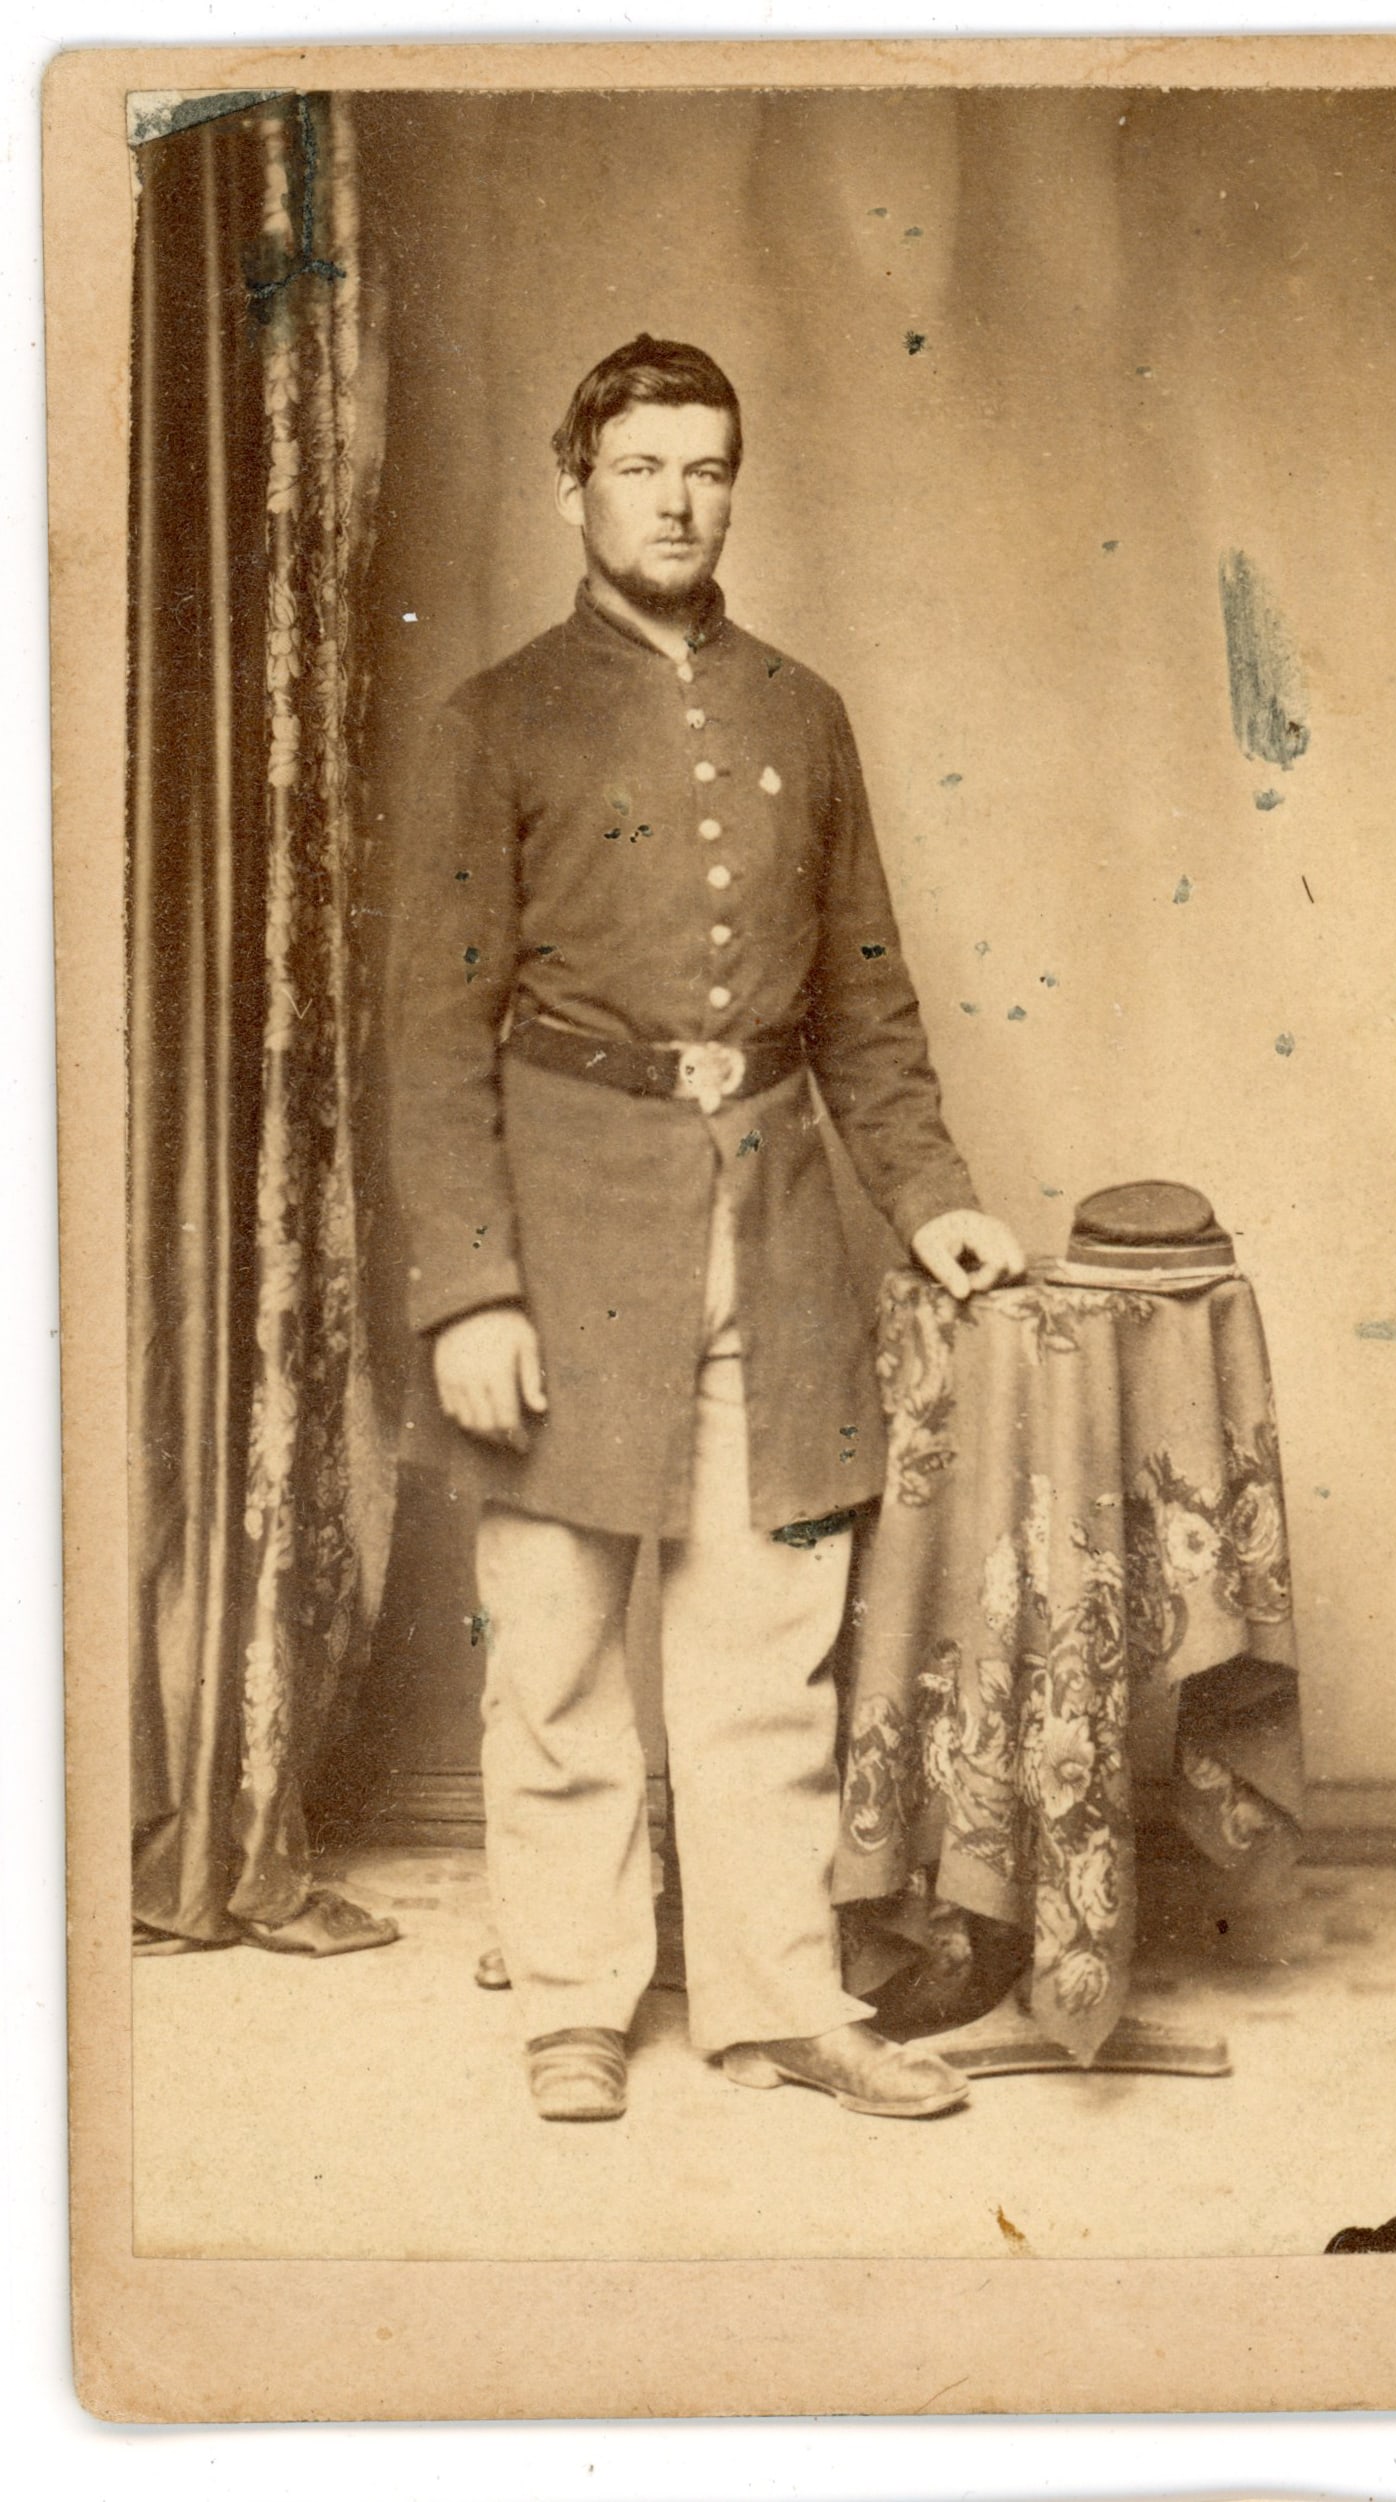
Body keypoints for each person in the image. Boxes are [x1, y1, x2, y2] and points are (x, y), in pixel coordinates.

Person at [388, 335, 1026, 2122]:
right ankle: (578, 2002)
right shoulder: (494, 717)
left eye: (708, 466)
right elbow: (432, 1035)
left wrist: (935, 1201)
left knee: (767, 1651)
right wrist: (469, 1290)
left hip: (778, 1225)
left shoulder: (799, 709)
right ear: (571, 483)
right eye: (642, 466)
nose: (677, 499)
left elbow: (868, 1003)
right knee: (563, 1648)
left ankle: (776, 1999)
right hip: (569, 1231)